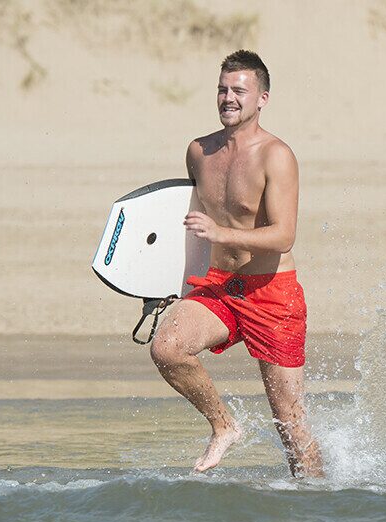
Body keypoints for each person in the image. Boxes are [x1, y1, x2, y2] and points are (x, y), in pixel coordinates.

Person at [150, 50, 323, 477]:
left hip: (272, 293)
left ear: (262, 98)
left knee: (292, 430)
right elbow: (189, 220)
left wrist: (222, 234)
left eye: (239, 91)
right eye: (223, 90)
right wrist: (169, 283)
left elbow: (284, 235)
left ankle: (321, 502)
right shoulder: (198, 151)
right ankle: (224, 426)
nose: (229, 98)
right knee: (166, 348)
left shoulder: (276, 155)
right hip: (218, 286)